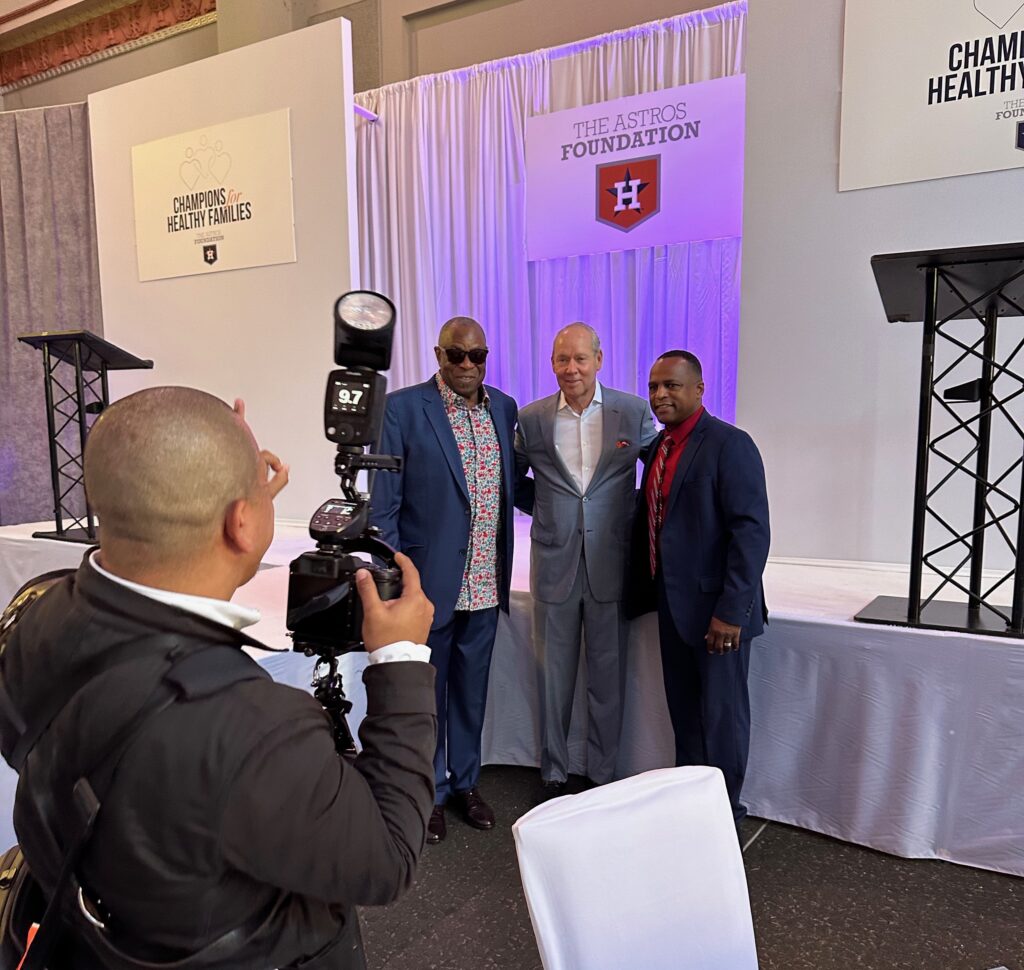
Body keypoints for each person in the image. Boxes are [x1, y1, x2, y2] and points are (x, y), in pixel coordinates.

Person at [0, 387, 437, 970]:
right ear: (241, 523)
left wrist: (232, 508)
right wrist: (401, 658)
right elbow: (387, 859)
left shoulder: (39, 607)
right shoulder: (254, 728)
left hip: (93, 925)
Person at [370, 317, 525, 843]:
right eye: (456, 355)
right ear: (438, 354)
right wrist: (394, 577)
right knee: (429, 693)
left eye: (477, 356)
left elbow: (514, 485)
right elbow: (384, 506)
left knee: (470, 692)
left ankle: (466, 783)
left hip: (485, 579)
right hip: (428, 583)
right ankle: (429, 791)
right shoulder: (403, 408)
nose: (466, 366)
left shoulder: (503, 408)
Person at [515, 323, 656, 797]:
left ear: (599, 359)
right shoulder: (531, 418)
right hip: (554, 563)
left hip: (610, 563)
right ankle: (553, 773)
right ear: (551, 363)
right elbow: (514, 479)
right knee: (552, 678)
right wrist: (548, 509)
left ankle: (603, 775)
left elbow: (657, 475)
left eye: (579, 359)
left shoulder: (632, 412)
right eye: (561, 359)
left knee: (608, 678)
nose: (570, 369)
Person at [630, 350, 770, 827]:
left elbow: (751, 532)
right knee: (685, 714)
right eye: (653, 387)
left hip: (719, 614)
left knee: (722, 720)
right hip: (673, 606)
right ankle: (691, 809)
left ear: (699, 390)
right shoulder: (660, 449)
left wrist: (731, 611)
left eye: (671, 385)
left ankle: (725, 816)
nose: (660, 395)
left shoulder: (730, 445)